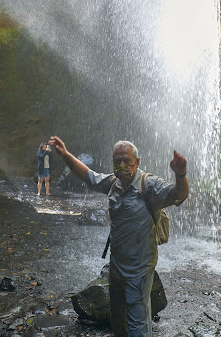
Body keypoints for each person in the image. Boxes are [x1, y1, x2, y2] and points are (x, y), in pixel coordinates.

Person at [48, 136, 189, 337]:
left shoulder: (149, 185)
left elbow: (179, 195)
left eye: (126, 160)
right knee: (118, 319)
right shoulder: (113, 183)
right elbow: (88, 176)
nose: (122, 165)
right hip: (117, 267)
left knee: (138, 324)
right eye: (117, 161)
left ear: (137, 162)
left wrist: (181, 174)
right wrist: (65, 154)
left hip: (140, 268)